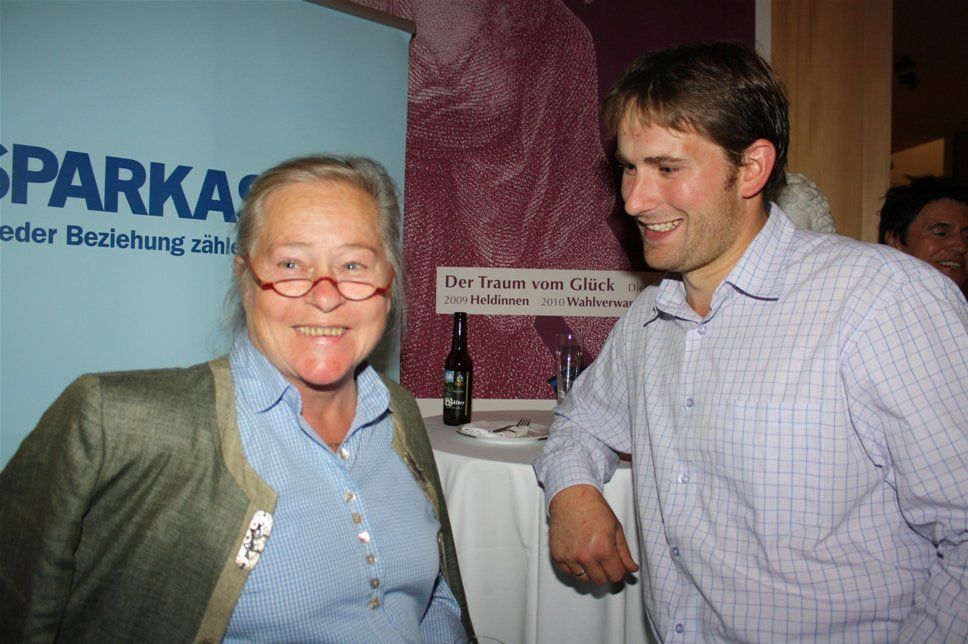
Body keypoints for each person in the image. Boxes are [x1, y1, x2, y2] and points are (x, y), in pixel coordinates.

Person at [535, 42, 968, 642]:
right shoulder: (647, 318)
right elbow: (580, 423)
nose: (633, 200)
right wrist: (572, 490)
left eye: (667, 168)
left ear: (752, 168)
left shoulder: (884, 300)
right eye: (629, 168)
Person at [0, 155, 473, 642]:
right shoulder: (115, 423)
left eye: (353, 265)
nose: (325, 295)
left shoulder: (399, 413)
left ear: (388, 285)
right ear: (245, 280)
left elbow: (438, 603)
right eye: (291, 264)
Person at [879, 174, 968, 295]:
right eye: (941, 233)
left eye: (967, 237)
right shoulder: (878, 301)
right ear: (895, 241)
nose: (961, 246)